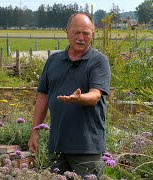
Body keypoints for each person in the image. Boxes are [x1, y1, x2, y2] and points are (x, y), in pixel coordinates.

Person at [28, 13, 111, 177]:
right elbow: (43, 97)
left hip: (87, 148)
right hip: (57, 146)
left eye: (86, 33)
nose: (81, 37)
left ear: (92, 34)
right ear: (67, 32)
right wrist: (35, 131)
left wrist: (79, 99)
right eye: (76, 32)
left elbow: (95, 95)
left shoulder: (98, 61)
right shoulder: (54, 60)